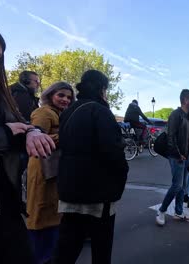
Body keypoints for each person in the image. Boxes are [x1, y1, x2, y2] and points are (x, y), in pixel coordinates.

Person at [0, 20, 55, 264]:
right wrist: (5, 134)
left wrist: (33, 132)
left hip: (1, 204)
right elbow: (9, 131)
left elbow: (22, 122)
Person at [53, 70, 128, 264]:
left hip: (70, 190)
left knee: (67, 247)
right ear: (102, 89)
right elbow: (114, 153)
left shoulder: (69, 111)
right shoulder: (100, 111)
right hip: (98, 195)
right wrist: (120, 180)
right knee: (101, 249)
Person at [26, 81, 75, 264]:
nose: (65, 99)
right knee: (40, 212)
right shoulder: (44, 112)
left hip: (52, 171)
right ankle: (39, 257)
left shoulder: (59, 114)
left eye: (69, 97)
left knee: (51, 213)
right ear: (50, 95)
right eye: (61, 95)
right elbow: (37, 138)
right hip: (42, 170)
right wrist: (68, 135)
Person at [156, 89, 189, 226]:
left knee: (182, 186)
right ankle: (161, 211)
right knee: (177, 185)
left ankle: (179, 212)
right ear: (185, 100)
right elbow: (171, 138)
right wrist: (178, 155)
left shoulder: (188, 116)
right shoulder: (176, 115)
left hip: (185, 156)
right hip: (177, 156)